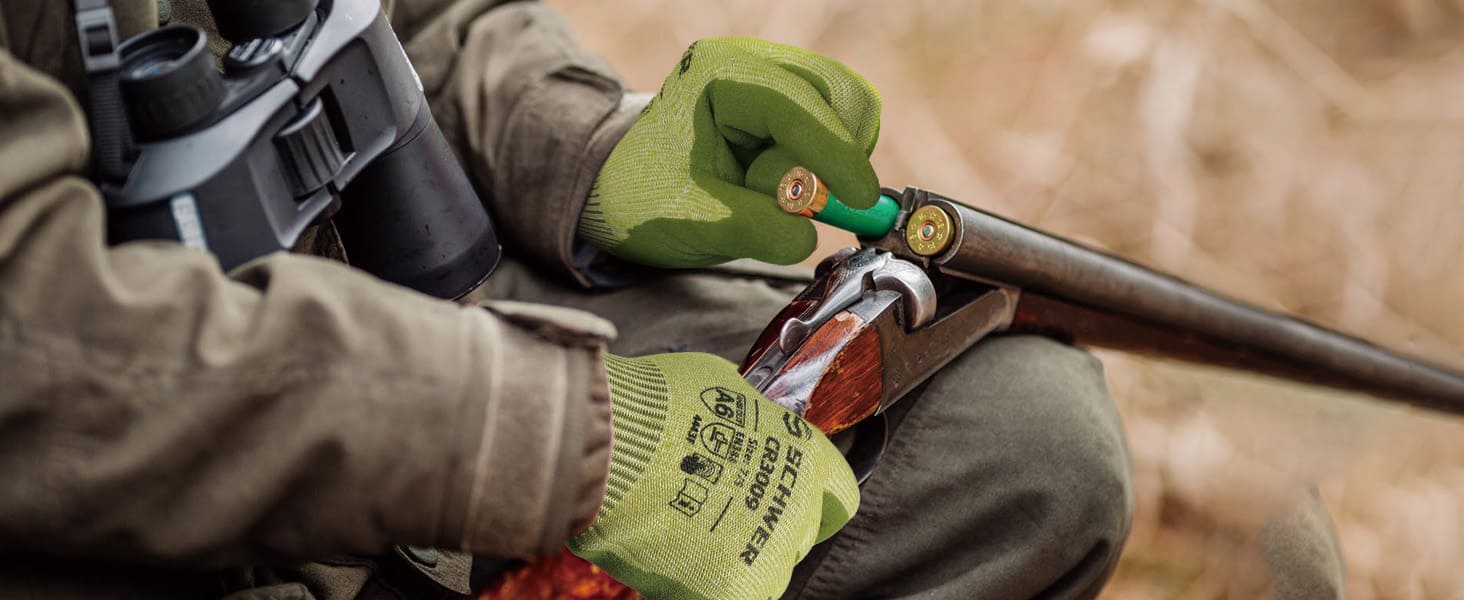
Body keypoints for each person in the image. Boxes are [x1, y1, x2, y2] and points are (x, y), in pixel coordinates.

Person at [0, 1, 1341, 598]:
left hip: (393, 322)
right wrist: (557, 443)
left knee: (1020, 446)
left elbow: (413, 19)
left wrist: (595, 151)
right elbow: (32, 338)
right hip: (129, 475)